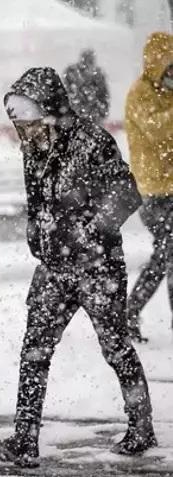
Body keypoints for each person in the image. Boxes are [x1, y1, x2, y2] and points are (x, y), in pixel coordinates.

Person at [0, 67, 155, 468]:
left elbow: (127, 194)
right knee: (34, 352)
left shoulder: (92, 142)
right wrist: (37, 232)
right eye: (21, 128)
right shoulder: (35, 148)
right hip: (54, 268)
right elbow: (41, 201)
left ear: (52, 112)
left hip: (98, 267)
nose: (26, 136)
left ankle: (141, 426)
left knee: (115, 348)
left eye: (31, 125)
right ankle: (25, 442)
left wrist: (90, 228)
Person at [124, 32, 173, 342]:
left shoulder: (168, 96)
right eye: (170, 68)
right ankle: (130, 310)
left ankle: (130, 311)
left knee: (165, 255)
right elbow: (158, 130)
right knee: (169, 254)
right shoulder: (140, 94)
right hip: (155, 192)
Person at [63, 49, 110, 124]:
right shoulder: (72, 72)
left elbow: (104, 96)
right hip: (81, 115)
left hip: (90, 116)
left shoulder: (98, 75)